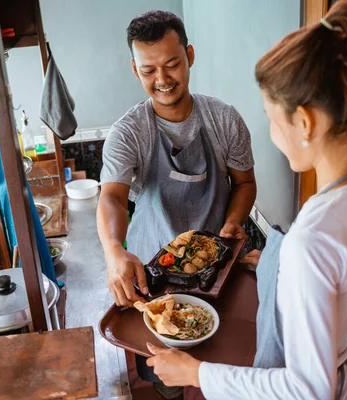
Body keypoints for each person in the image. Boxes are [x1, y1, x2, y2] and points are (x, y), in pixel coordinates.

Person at [144, 1, 347, 399]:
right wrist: (278, 268)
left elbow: (307, 390)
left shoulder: (312, 239)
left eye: (271, 116)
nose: (272, 134)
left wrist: (197, 373)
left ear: (304, 121)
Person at [97, 10, 257, 399]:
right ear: (135, 70)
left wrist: (235, 220)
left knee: (223, 371)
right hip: (152, 277)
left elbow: (246, 183)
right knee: (162, 380)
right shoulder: (128, 132)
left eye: (172, 64)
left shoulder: (225, 120)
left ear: (189, 55)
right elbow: (112, 197)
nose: (163, 80)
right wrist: (114, 250)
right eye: (149, 70)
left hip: (218, 269)